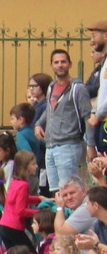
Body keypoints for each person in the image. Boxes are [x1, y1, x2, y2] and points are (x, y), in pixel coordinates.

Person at [44, 49, 93, 190]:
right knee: (56, 192)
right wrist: (38, 124)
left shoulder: (78, 88)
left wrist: (90, 145)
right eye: (56, 62)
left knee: (70, 190)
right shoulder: (51, 87)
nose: (60, 65)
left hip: (68, 146)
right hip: (50, 146)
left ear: (70, 64)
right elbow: (49, 110)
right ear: (51, 65)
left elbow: (87, 116)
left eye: (63, 62)